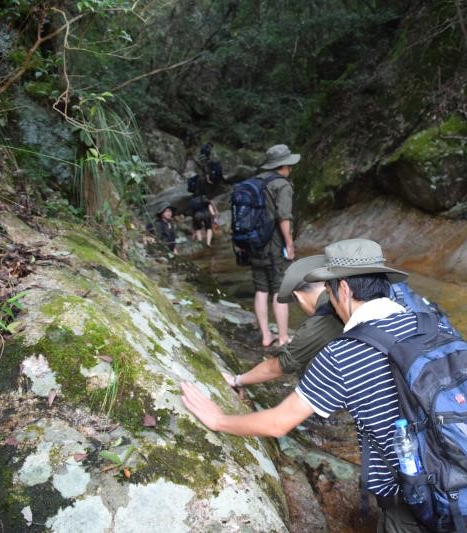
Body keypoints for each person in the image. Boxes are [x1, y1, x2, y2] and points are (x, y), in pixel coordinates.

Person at [181, 239, 451, 532]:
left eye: (331, 292)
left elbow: (277, 424)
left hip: (415, 504)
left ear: (344, 290)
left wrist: (219, 419)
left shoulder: (344, 352)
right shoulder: (434, 324)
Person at [222, 255, 342, 390]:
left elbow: (277, 366)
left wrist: (237, 380)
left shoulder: (319, 322)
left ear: (298, 297)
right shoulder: (347, 287)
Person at [250, 144, 299, 348]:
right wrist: (289, 243)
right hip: (274, 244)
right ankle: (283, 337)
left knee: (261, 289)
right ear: (284, 165)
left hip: (253, 243)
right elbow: (283, 217)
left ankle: (265, 336)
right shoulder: (282, 185)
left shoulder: (255, 183)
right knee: (279, 290)